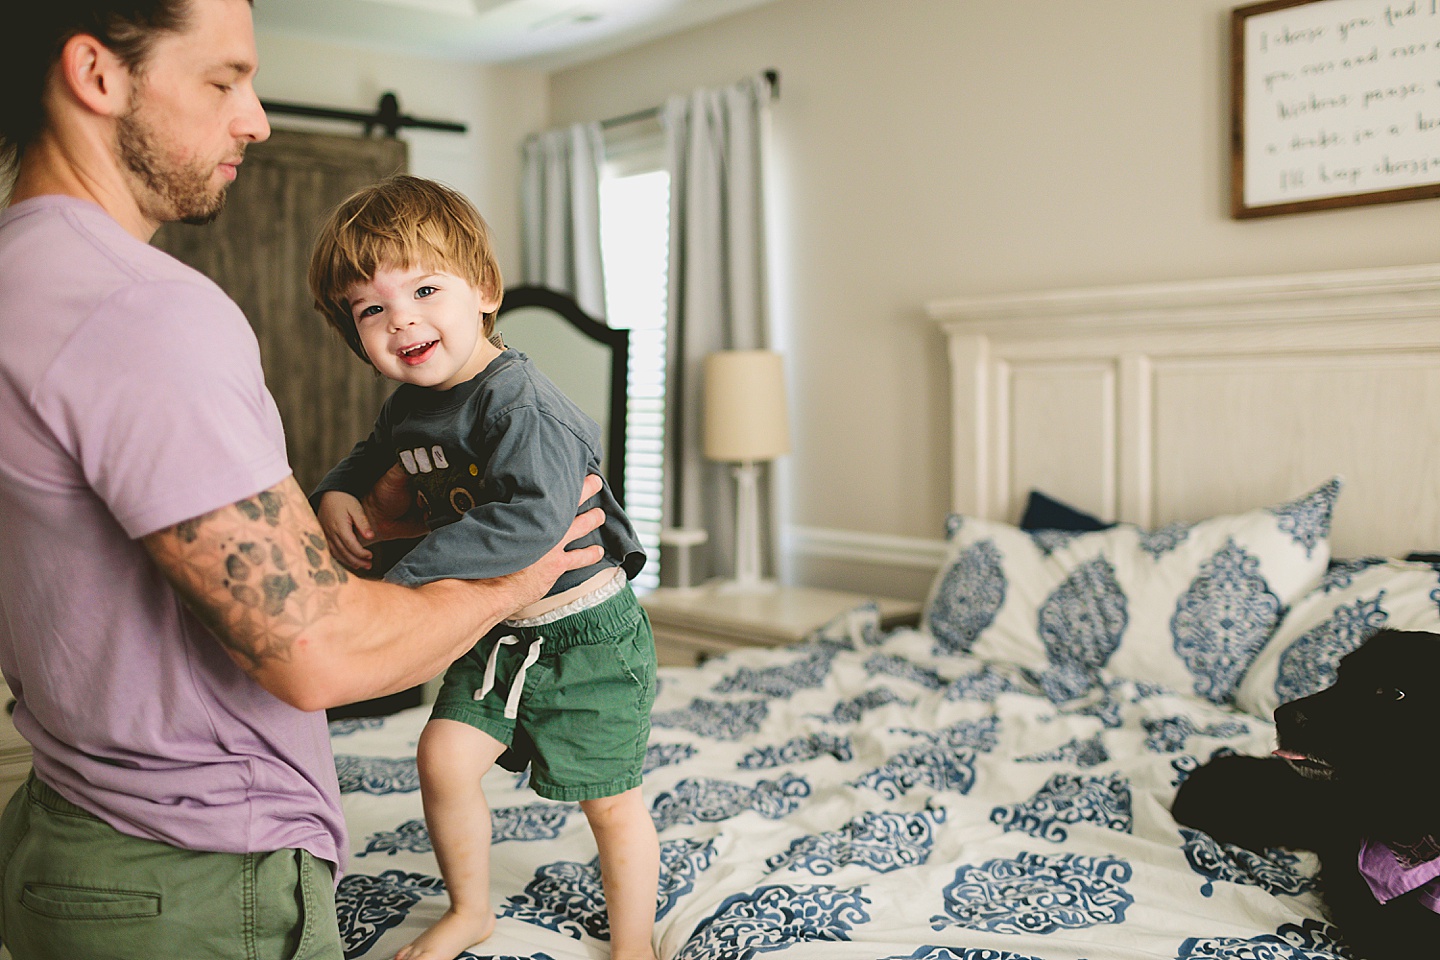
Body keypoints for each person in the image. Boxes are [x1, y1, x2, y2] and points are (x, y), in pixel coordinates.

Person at [0, 3, 606, 958]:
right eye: (222, 78)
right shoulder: (142, 312)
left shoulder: (19, 278)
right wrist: (517, 580)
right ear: (99, 75)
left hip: (67, 837)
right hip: (195, 879)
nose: (257, 118)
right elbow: (318, 651)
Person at [307, 174, 659, 960]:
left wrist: (404, 587)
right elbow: (370, 459)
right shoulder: (409, 407)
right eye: (372, 308)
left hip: (586, 635)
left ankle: (634, 946)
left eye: (425, 288)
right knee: (441, 755)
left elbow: (531, 522)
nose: (402, 318)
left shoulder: (517, 402)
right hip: (498, 628)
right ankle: (471, 909)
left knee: (609, 803)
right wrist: (335, 494)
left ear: (485, 291)